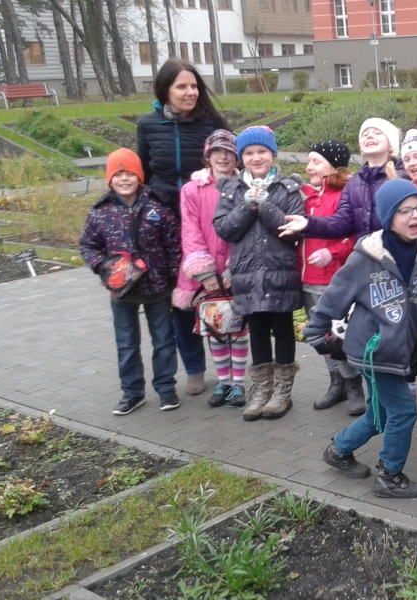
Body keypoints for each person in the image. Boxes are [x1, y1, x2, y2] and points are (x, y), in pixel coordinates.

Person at [303, 179, 417, 499]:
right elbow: (334, 297)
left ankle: (339, 450)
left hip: (402, 349)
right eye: (405, 211)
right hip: (373, 350)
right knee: (403, 411)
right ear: (389, 217)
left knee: (381, 414)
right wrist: (315, 333)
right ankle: (389, 476)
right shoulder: (366, 257)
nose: (415, 216)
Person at [137, 58, 229, 397]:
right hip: (165, 223)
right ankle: (193, 367)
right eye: (182, 87)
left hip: (206, 219)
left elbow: (229, 163)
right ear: (165, 90)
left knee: (214, 290)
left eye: (194, 86)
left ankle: (227, 366)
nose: (190, 92)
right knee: (180, 297)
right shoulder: (148, 124)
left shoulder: (211, 123)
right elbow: (143, 173)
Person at [79, 149, 181, 415]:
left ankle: (166, 388)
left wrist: (173, 278)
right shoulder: (100, 212)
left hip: (158, 288)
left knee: (164, 341)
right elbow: (88, 246)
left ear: (140, 177)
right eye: (118, 174)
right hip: (121, 291)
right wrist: (104, 267)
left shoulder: (158, 207)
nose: (124, 179)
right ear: (109, 179)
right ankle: (132, 392)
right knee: (126, 343)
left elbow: (174, 244)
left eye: (130, 174)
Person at [213, 126, 304, 422]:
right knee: (258, 330)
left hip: (280, 273)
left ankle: (282, 392)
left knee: (283, 328)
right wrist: (247, 206)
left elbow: (293, 231)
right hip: (247, 274)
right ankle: (262, 390)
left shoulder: (288, 189)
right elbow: (224, 229)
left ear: (273, 154)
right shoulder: (231, 190)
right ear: (241, 158)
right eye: (249, 153)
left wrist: (264, 206)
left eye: (262, 151)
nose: (256, 158)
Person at [283, 140, 365, 416]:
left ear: (334, 166)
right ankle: (336, 383)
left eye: (316, 162)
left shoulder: (344, 196)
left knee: (338, 335)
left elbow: (353, 237)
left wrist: (332, 252)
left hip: (334, 281)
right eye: (308, 161)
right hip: (308, 279)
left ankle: (354, 385)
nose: (309, 167)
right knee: (320, 335)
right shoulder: (306, 197)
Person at [172, 129, 248, 410]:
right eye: (217, 152)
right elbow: (191, 231)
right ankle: (223, 382)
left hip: (235, 271)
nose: (223, 157)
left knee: (237, 329)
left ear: (237, 158)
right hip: (207, 276)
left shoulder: (245, 188)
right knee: (215, 327)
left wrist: (234, 269)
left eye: (229, 152)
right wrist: (205, 272)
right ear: (208, 156)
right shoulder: (192, 190)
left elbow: (248, 231)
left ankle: (238, 384)